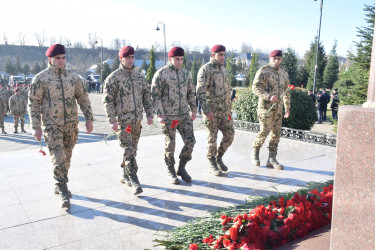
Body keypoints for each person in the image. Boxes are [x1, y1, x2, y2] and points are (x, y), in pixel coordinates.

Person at [28, 44, 94, 208]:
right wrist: (35, 127)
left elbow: (83, 98)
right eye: (57, 58)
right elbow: (34, 104)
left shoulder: (73, 78)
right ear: (50, 59)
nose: (61, 61)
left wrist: (89, 119)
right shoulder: (41, 78)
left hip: (71, 125)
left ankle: (59, 183)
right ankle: (64, 190)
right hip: (52, 125)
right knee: (58, 158)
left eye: (63, 57)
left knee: (67, 158)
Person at [103, 46, 154, 195]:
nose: (131, 60)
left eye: (132, 57)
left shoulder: (139, 77)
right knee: (128, 150)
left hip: (137, 121)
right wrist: (112, 120)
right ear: (121, 59)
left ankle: (125, 174)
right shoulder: (113, 78)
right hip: (123, 122)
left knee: (133, 150)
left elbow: (147, 96)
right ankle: (134, 179)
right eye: (128, 58)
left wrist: (150, 114)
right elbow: (107, 101)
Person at [151, 47, 197, 184]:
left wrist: (193, 110)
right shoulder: (161, 74)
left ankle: (182, 167)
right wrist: (160, 114)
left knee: (191, 141)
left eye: (181, 59)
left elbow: (190, 92)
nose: (179, 62)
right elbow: (155, 96)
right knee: (170, 145)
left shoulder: (185, 74)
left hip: (183, 115)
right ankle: (170, 170)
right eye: (177, 59)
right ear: (170, 58)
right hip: (168, 117)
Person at [196, 44, 234, 176]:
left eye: (224, 54)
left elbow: (228, 90)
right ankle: (211, 163)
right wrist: (206, 111)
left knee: (230, 134)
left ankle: (219, 157)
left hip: (224, 111)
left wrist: (229, 107)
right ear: (213, 55)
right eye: (220, 55)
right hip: (211, 112)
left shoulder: (224, 70)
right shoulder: (205, 70)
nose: (223, 57)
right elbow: (200, 92)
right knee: (212, 138)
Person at [251, 50, 291, 170]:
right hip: (265, 108)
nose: (277, 61)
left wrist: (287, 107)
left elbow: (286, 91)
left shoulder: (284, 72)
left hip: (278, 109)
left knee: (276, 134)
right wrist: (268, 96)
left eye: (279, 58)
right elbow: (255, 87)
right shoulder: (263, 70)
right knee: (264, 131)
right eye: (275, 58)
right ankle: (255, 153)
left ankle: (272, 159)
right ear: (270, 59)